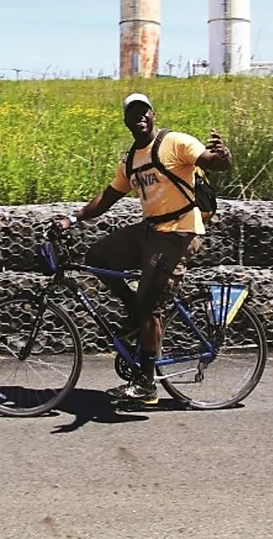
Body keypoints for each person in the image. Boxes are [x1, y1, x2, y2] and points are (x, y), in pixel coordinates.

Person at [53, 92, 234, 404]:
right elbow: (107, 197)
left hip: (179, 232)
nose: (138, 117)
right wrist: (73, 218)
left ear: (153, 114)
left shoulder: (175, 142)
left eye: (143, 111)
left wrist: (224, 156)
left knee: (150, 305)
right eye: (131, 113)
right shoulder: (132, 160)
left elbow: (214, 163)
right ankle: (136, 316)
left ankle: (146, 383)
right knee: (99, 256)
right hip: (151, 230)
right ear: (125, 121)